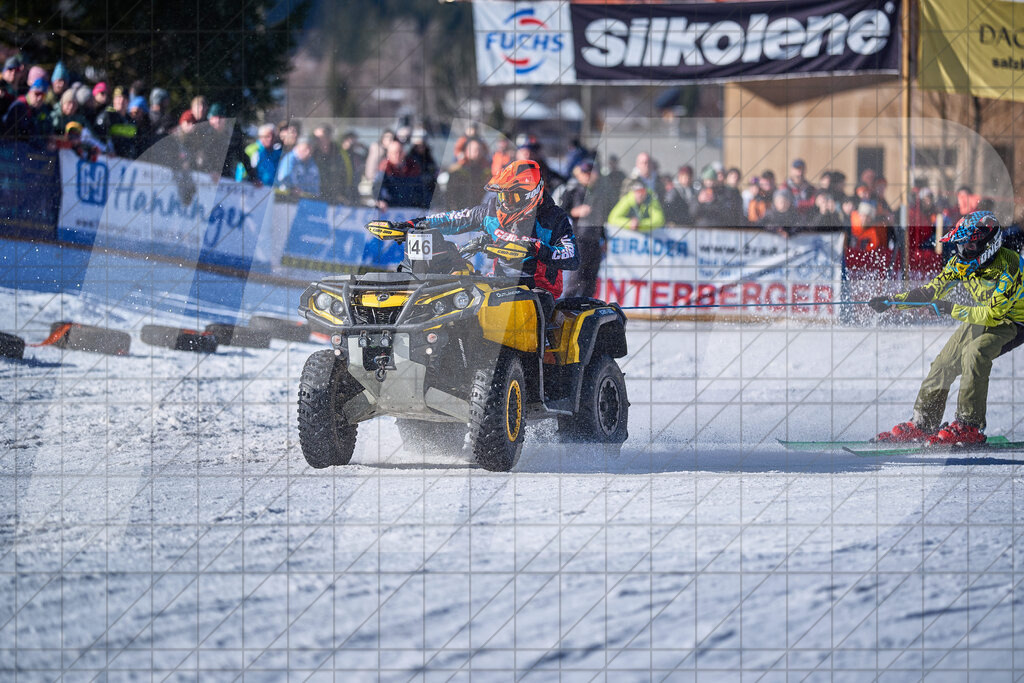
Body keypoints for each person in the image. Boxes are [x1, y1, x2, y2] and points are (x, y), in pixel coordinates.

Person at [869, 211, 1024, 445]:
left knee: (975, 353)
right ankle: (923, 424)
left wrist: (949, 308)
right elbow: (931, 291)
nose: (963, 252)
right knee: (945, 362)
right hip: (983, 316)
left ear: (988, 245)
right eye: (961, 245)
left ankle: (968, 426)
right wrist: (892, 302)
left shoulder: (1010, 266)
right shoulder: (962, 263)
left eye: (969, 245)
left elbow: (993, 314)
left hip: (1013, 322)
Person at [420, 159, 579, 306]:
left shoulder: (554, 218)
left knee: (526, 310)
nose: (505, 203)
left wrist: (537, 247)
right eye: (503, 195)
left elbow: (571, 257)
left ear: (531, 194)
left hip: (538, 289)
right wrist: (418, 224)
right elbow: (456, 218)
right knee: (463, 294)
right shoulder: (492, 210)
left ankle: (543, 338)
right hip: (500, 283)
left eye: (512, 197)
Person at [558, 159, 608, 299]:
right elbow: (560, 211)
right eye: (585, 173)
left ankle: (586, 308)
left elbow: (600, 218)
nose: (588, 176)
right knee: (575, 279)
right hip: (579, 240)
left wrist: (604, 238)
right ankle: (566, 308)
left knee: (591, 281)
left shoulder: (598, 193)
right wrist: (575, 212)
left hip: (594, 240)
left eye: (591, 173)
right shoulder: (572, 190)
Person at [445, 137, 491, 209]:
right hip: (460, 211)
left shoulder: (486, 170)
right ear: (466, 151)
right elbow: (450, 197)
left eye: (479, 150)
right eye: (474, 150)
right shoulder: (457, 171)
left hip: (479, 210)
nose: (477, 152)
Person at [244, 122, 282, 187]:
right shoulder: (252, 150)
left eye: (272, 136)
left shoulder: (278, 153)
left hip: (271, 190)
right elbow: (243, 172)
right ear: (260, 137)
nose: (270, 139)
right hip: (255, 189)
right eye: (267, 136)